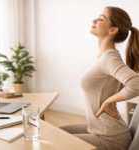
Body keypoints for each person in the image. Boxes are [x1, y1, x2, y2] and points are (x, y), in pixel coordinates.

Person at [58, 6, 139, 150]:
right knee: (54, 134)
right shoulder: (105, 57)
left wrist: (109, 101)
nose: (94, 20)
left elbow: (136, 83)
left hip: (111, 139)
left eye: (101, 19)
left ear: (113, 30)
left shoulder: (110, 58)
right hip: (98, 129)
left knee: (56, 142)